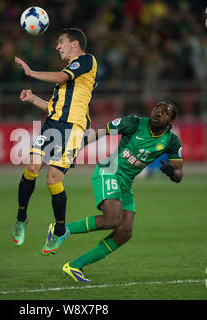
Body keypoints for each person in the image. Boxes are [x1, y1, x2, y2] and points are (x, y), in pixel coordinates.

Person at [62, 101, 183, 282]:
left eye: (165, 112)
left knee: (124, 232)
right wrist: (76, 147)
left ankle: (74, 266)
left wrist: (173, 172)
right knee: (112, 218)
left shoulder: (171, 141)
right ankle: (61, 230)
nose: (158, 112)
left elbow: (179, 174)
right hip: (109, 170)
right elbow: (102, 131)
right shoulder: (134, 123)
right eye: (157, 108)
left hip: (126, 182)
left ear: (170, 122)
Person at [12, 28, 98, 255]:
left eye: (61, 42)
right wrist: (33, 99)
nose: (58, 47)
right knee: (31, 167)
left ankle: (60, 230)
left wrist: (31, 72)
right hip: (52, 124)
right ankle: (21, 218)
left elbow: (61, 76)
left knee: (52, 180)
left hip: (73, 129)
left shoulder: (87, 61)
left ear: (75, 44)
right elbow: (53, 107)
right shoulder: (67, 77)